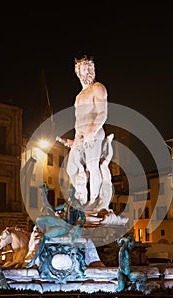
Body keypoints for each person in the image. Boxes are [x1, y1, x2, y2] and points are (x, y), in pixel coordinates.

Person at [57, 56, 108, 208]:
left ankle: (94, 201)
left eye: (90, 68)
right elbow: (78, 121)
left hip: (95, 131)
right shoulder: (78, 97)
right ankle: (81, 199)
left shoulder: (98, 87)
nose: (88, 72)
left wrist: (92, 131)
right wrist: (72, 141)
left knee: (93, 167)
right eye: (84, 68)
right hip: (80, 136)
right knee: (71, 168)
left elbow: (102, 113)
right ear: (78, 72)